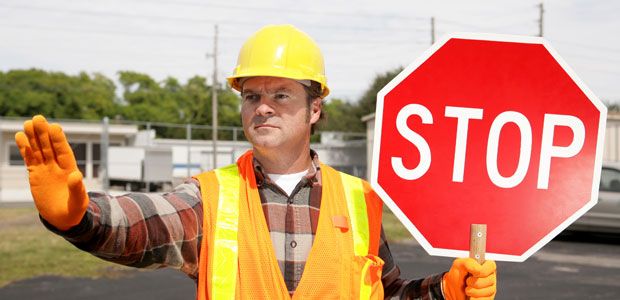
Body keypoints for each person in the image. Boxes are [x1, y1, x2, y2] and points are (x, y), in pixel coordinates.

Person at [15, 24, 496, 299]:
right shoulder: (212, 198)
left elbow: (385, 295)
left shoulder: (360, 200)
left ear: (315, 109)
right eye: (251, 96)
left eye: (281, 94)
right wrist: (78, 216)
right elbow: (143, 221)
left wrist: (446, 291)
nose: (262, 106)